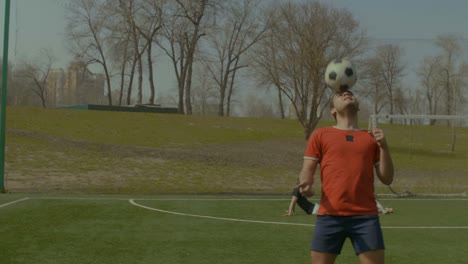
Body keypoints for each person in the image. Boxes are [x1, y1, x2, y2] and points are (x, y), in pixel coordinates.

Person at [297, 89, 394, 264]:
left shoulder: (371, 137)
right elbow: (307, 169)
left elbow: (387, 179)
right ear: (333, 110)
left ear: (357, 106)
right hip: (330, 215)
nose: (346, 94)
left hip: (366, 217)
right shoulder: (320, 134)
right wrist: (306, 182)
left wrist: (384, 147)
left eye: (350, 93)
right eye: (340, 95)